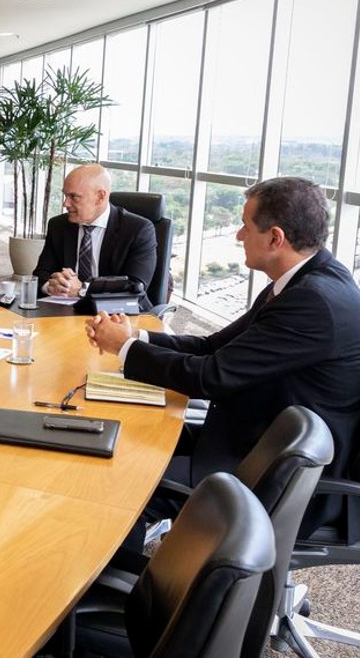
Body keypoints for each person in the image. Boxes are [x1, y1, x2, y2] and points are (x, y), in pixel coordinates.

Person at [86, 177, 360, 528]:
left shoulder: (312, 301)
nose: (238, 236)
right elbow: (213, 347)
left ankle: (136, 581)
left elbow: (211, 377)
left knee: (119, 477)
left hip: (279, 474)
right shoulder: (305, 279)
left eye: (245, 227)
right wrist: (137, 336)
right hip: (252, 436)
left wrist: (124, 348)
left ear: (275, 237)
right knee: (121, 438)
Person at [32, 164, 157, 305]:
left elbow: (135, 288)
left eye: (74, 197)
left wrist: (83, 290)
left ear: (100, 197)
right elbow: (41, 274)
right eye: (65, 195)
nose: (65, 203)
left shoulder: (138, 230)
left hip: (120, 315)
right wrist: (52, 286)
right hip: (66, 311)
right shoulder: (59, 225)